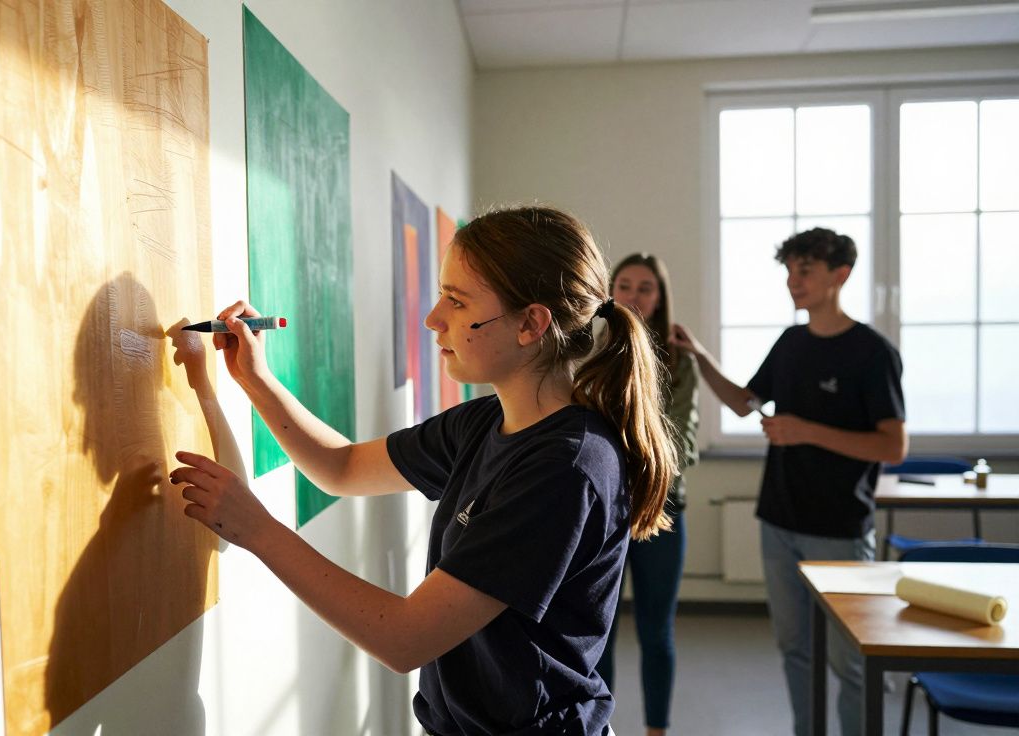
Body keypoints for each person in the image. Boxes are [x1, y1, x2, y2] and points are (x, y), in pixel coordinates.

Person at [168, 205, 679, 735]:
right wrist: (254, 378)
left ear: (531, 323)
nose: (434, 318)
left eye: (457, 302)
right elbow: (341, 468)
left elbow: (403, 638)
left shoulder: (564, 468)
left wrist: (257, 530)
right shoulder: (488, 421)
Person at [669, 227, 906, 736]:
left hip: (839, 526)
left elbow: (893, 446)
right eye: (789, 271)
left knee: (852, 661)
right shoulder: (792, 342)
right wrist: (699, 355)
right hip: (777, 518)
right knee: (795, 650)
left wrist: (805, 431)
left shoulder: (872, 353)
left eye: (806, 271)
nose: (793, 282)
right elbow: (744, 401)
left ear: (839, 276)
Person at [597, 253, 699, 736]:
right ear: (610, 291)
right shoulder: (590, 351)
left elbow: (677, 441)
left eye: (645, 288)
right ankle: (602, 727)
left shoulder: (679, 359)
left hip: (662, 507)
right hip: (601, 512)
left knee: (656, 633)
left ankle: (657, 730)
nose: (634, 296)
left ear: (659, 297)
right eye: (625, 285)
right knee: (599, 633)